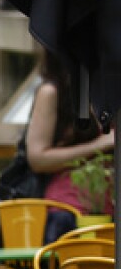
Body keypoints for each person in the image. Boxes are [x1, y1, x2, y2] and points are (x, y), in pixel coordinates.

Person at [26, 47, 115, 221]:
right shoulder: (53, 92)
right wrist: (100, 144)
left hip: (110, 210)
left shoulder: (108, 87)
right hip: (69, 211)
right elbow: (37, 159)